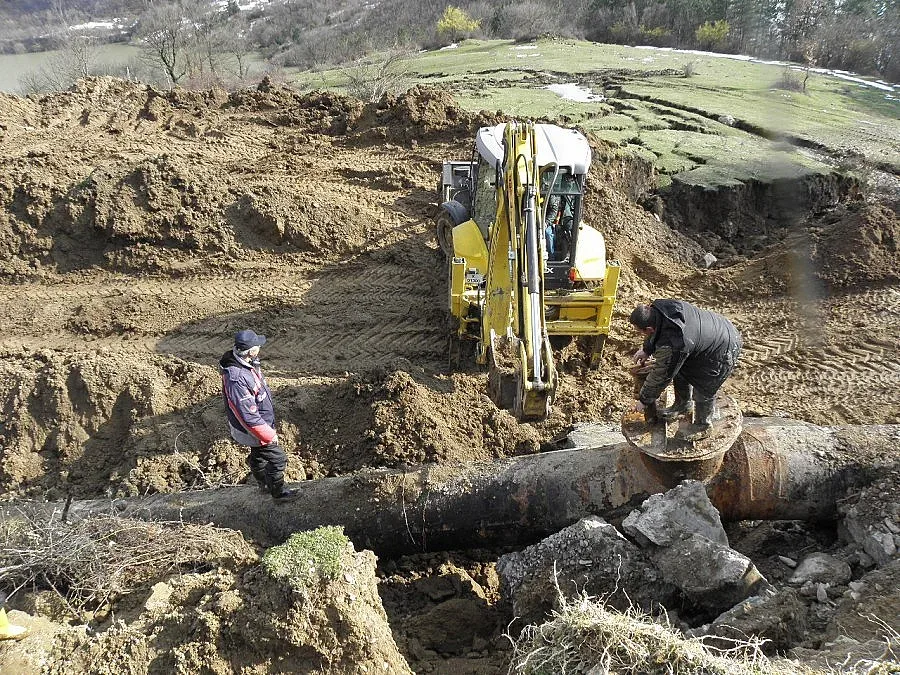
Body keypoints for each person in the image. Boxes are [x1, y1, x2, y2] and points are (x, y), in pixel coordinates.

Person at [629, 299, 742, 441]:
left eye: (640, 332)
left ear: (649, 329)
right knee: (680, 368)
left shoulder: (674, 343)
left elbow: (661, 375)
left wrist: (644, 400)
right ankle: (683, 405)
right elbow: (658, 332)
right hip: (712, 330)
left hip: (724, 347)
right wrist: (647, 349)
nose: (641, 334)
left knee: (704, 387)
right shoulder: (661, 307)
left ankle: (703, 425)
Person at [219, 329, 300, 501]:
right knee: (278, 459)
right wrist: (267, 435)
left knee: (258, 454)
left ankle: (263, 484)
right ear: (251, 350)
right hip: (254, 428)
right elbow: (247, 415)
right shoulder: (237, 378)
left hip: (259, 424)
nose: (260, 348)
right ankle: (278, 494)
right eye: (258, 346)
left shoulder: (247, 363)